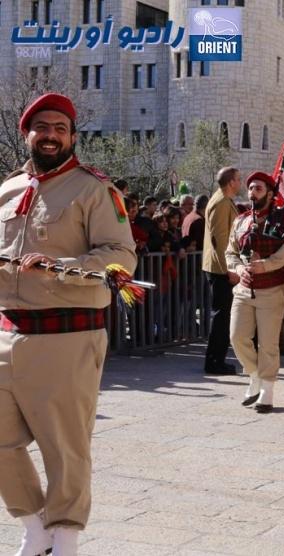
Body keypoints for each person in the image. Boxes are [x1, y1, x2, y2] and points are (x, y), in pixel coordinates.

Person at [0, 93, 137, 555]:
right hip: (6, 332)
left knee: (65, 447)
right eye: (43, 127)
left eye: (61, 127)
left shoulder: (95, 189)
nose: (52, 134)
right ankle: (34, 526)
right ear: (28, 134)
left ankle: (66, 539)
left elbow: (121, 258)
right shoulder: (7, 190)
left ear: (73, 136)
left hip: (66, 334)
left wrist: (60, 266)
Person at [227, 172, 284, 413]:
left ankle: (267, 389)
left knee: (268, 343)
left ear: (269, 192)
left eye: (258, 188)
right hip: (244, 288)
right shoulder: (241, 221)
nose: (252, 193)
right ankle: (254, 374)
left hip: (272, 288)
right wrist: (238, 267)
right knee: (237, 336)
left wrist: (265, 265)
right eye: (250, 188)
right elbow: (230, 252)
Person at [202, 166, 241, 375]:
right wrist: (229, 269)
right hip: (220, 269)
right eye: (238, 179)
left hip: (218, 267)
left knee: (223, 316)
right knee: (221, 317)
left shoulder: (221, 200)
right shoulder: (221, 202)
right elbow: (220, 239)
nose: (240, 183)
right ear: (231, 182)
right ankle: (215, 361)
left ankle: (217, 359)